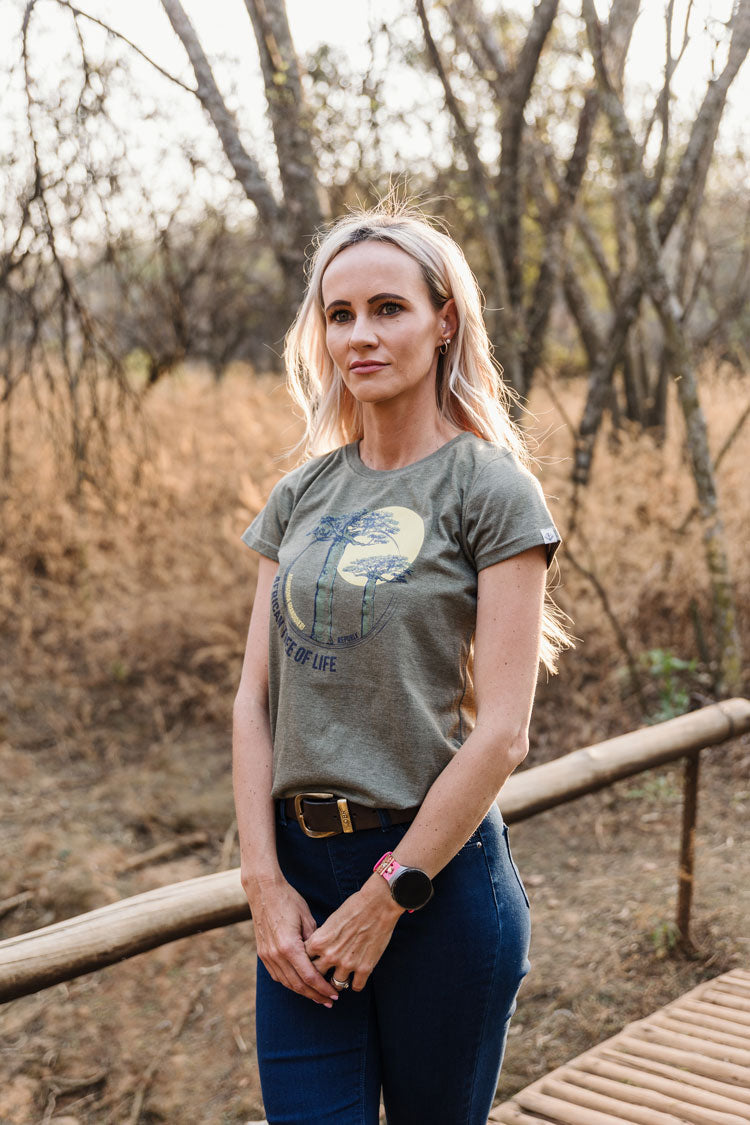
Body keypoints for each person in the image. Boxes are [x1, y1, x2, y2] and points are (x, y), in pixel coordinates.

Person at [233, 204, 569, 1125]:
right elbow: (254, 700)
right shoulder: (299, 494)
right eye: (339, 315)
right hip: (301, 884)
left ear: (443, 320)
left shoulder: (490, 488)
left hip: (436, 884)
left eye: (389, 308)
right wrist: (263, 881)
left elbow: (504, 734)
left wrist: (389, 894)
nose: (361, 336)